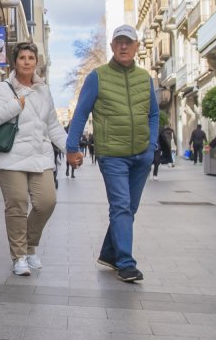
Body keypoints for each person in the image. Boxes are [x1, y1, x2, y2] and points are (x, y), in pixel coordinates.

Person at [65, 25, 158, 283]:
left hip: (141, 153)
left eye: (129, 42)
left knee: (129, 208)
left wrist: (151, 148)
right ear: (112, 47)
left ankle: (109, 253)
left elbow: (153, 114)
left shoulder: (144, 78)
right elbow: (81, 112)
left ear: (137, 46)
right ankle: (126, 264)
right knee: (121, 207)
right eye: (119, 42)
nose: (124, 46)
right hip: (112, 155)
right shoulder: (98, 76)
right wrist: (72, 148)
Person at [0, 42, 68, 277]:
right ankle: (19, 255)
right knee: (18, 204)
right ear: (14, 62)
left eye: (31, 57)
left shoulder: (44, 91)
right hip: (10, 158)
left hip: (40, 156)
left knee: (46, 202)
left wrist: (70, 148)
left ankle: (29, 246)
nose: (27, 61)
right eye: (22, 58)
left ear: (36, 61)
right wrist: (14, 106)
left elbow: (52, 125)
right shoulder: (3, 89)